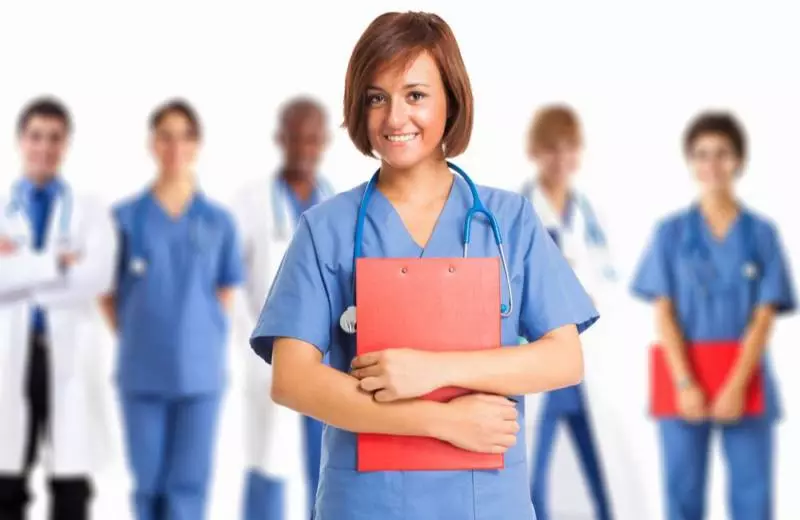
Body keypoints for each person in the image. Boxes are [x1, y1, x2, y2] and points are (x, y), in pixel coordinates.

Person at [248, 11, 599, 520]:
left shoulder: (508, 221)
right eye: (377, 97)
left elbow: (564, 359)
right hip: (367, 502)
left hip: (485, 502)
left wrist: (433, 370)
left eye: (415, 95)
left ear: (450, 100)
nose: (395, 118)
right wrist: (441, 420)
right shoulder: (326, 228)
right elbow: (293, 379)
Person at [631, 111, 796, 520]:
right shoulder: (669, 234)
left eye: (723, 153)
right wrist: (686, 382)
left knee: (752, 500)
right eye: (702, 154)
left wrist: (736, 385)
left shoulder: (761, 234)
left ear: (738, 160)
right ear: (691, 161)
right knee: (682, 496)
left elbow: (763, 317)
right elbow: (663, 313)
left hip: (745, 374)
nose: (712, 164)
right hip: (684, 373)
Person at [101, 99, 244, 520]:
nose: (174, 146)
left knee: (189, 488)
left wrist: (191, 337)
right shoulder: (126, 218)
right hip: (142, 376)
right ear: (152, 143)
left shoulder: (218, 221)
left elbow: (225, 292)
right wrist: (141, 334)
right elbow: (106, 292)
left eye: (184, 136)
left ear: (196, 145)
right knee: (147, 487)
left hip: (199, 379)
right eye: (165, 136)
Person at [0, 97, 118, 520]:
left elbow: (99, 275)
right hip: (11, 353)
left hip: (67, 351)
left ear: (65, 144)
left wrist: (20, 271)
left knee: (71, 478)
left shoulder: (89, 208)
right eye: (35, 137)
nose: (44, 147)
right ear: (20, 141)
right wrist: (56, 263)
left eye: (54, 138)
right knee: (6, 478)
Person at [231, 96, 335, 520]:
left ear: (325, 141)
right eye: (296, 139)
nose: (305, 149)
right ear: (281, 139)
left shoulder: (339, 203)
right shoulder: (250, 202)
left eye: (313, 139)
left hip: (328, 355)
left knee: (327, 462)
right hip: (269, 354)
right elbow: (230, 282)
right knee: (267, 457)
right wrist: (249, 341)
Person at [520, 105, 615, 520]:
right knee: (532, 475)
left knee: (602, 474)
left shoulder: (588, 214)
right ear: (535, 152)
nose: (560, 159)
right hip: (539, 354)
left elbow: (605, 277)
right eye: (550, 149)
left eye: (568, 148)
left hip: (583, 359)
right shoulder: (519, 211)